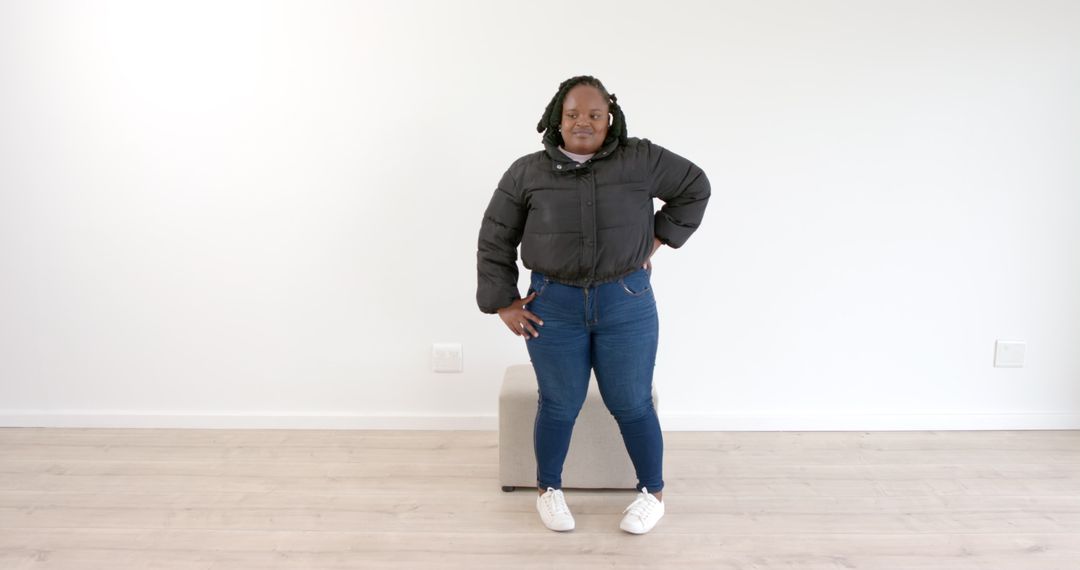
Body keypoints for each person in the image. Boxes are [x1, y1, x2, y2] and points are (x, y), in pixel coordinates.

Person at [476, 75, 710, 534]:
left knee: (632, 402)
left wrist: (658, 238)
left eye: (594, 115)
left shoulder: (640, 159)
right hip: (553, 306)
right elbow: (494, 238)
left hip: (626, 303)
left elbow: (694, 186)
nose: (583, 122)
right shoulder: (526, 172)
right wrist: (503, 303)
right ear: (556, 118)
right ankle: (549, 491)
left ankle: (652, 494)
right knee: (560, 402)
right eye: (573, 114)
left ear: (610, 120)